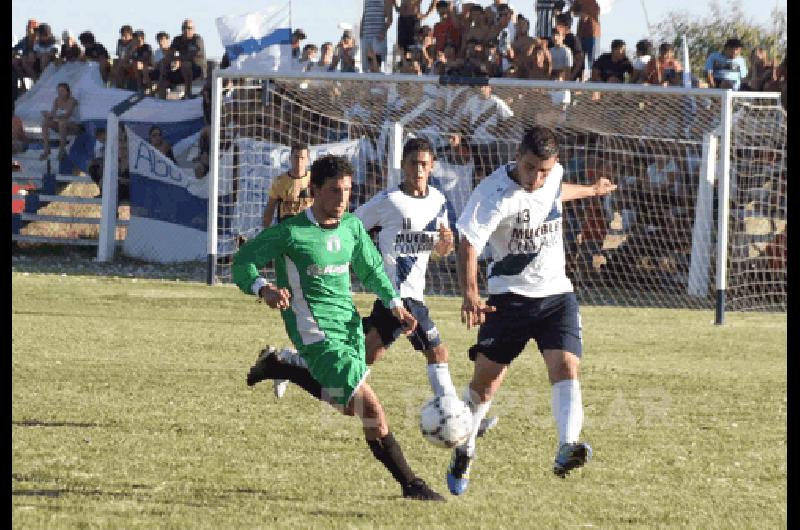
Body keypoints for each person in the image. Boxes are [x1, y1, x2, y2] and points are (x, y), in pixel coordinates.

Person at [231, 154, 445, 501]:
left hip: (349, 328)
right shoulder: (289, 233)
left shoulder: (352, 228)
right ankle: (411, 485)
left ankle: (280, 365)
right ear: (314, 191)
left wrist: (395, 306)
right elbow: (242, 263)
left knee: (349, 406)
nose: (343, 199)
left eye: (348, 190)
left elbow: (373, 268)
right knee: (372, 409)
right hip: (314, 331)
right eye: (334, 191)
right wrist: (264, 289)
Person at [255, 138, 499, 436]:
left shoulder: (438, 201)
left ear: (433, 165)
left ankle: (291, 363)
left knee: (365, 358)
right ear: (403, 166)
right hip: (397, 295)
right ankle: (461, 422)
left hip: (410, 293)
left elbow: (437, 249)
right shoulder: (389, 200)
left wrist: (444, 246)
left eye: (424, 164)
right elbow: (349, 227)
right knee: (437, 353)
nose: (419, 170)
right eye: (413, 164)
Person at [445, 126, 617, 495]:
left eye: (543, 169)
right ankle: (465, 447)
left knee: (567, 365)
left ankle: (566, 446)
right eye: (529, 168)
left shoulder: (552, 175)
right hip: (508, 299)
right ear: (517, 157)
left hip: (556, 294)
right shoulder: (492, 195)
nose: (536, 177)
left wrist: (592, 190)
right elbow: (468, 244)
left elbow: (556, 192)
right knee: (486, 384)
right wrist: (471, 295)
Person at [262, 143, 314, 227]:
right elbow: (270, 208)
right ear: (290, 158)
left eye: (302, 158)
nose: (299, 161)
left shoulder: (315, 179)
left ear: (307, 159)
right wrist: (265, 229)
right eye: (296, 157)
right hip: (287, 226)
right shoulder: (279, 181)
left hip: (308, 227)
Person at [158, 19, 206, 99]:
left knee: (185, 64)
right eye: (184, 28)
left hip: (196, 69)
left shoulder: (197, 40)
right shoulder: (177, 39)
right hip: (180, 69)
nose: (186, 30)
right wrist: (170, 61)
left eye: (189, 28)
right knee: (164, 63)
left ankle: (187, 93)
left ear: (193, 29)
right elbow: (170, 54)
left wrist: (178, 60)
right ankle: (160, 98)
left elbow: (191, 55)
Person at [39, 82, 80, 161]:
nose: (60, 93)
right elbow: (53, 113)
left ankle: (62, 149)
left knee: (62, 122)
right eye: (58, 91)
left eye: (62, 91)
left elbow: (67, 115)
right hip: (61, 123)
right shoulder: (57, 100)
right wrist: (47, 114)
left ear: (67, 91)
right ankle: (47, 148)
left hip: (73, 125)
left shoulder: (72, 100)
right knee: (45, 122)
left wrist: (52, 115)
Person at [360, 0, 394, 72]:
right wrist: (361, 33)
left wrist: (383, 31)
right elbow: (364, 13)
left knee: (377, 66)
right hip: (365, 35)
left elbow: (390, 18)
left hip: (378, 37)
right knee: (365, 67)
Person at [553, 12, 584, 81]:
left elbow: (579, 61)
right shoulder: (555, 38)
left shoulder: (573, 39)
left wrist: (571, 76)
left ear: (565, 26)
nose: (555, 26)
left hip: (570, 78)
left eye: (557, 24)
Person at [572, 0, 600, 67]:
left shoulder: (596, 1)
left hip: (593, 34)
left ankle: (592, 76)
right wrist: (580, 13)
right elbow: (573, 12)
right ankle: (581, 76)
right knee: (580, 59)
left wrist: (587, 14)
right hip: (580, 34)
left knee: (593, 60)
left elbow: (599, 11)